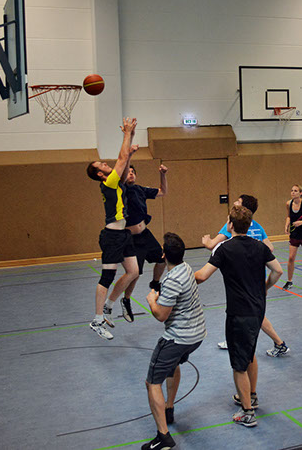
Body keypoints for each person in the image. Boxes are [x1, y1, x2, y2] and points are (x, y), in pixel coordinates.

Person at [194, 206, 284, 428]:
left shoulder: (224, 249)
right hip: (258, 309)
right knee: (249, 353)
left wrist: (181, 274)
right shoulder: (260, 247)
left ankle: (247, 412)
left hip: (239, 313)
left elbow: (202, 276)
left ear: (230, 225)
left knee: (238, 365)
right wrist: (264, 288)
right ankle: (251, 396)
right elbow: (278, 271)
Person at [202, 194, 290, 357]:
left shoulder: (231, 224)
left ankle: (279, 343)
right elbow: (270, 248)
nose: (235, 202)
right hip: (257, 277)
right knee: (251, 312)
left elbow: (212, 245)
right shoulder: (257, 226)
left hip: (240, 277)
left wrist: (206, 241)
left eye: (238, 201)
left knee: (251, 314)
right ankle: (234, 338)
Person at [143, 232, 207, 450]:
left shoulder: (171, 280)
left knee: (152, 383)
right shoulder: (186, 268)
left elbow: (161, 315)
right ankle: (169, 408)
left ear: (163, 255)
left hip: (179, 337)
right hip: (197, 335)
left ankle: (163, 437)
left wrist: (152, 301)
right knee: (173, 365)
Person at [85, 117, 140, 340]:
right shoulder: (107, 182)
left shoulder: (116, 182)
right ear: (100, 174)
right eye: (102, 165)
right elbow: (121, 158)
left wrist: (131, 138)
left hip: (123, 235)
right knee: (107, 277)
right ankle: (97, 320)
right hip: (111, 236)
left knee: (134, 271)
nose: (106, 164)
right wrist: (126, 134)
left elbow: (125, 166)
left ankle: (109, 305)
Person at [121, 163, 169, 323]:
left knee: (162, 258)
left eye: (133, 172)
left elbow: (163, 192)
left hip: (145, 235)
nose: (131, 174)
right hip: (131, 239)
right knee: (135, 273)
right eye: (128, 172)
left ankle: (155, 283)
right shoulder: (120, 190)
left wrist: (163, 174)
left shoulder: (140, 189)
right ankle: (126, 300)